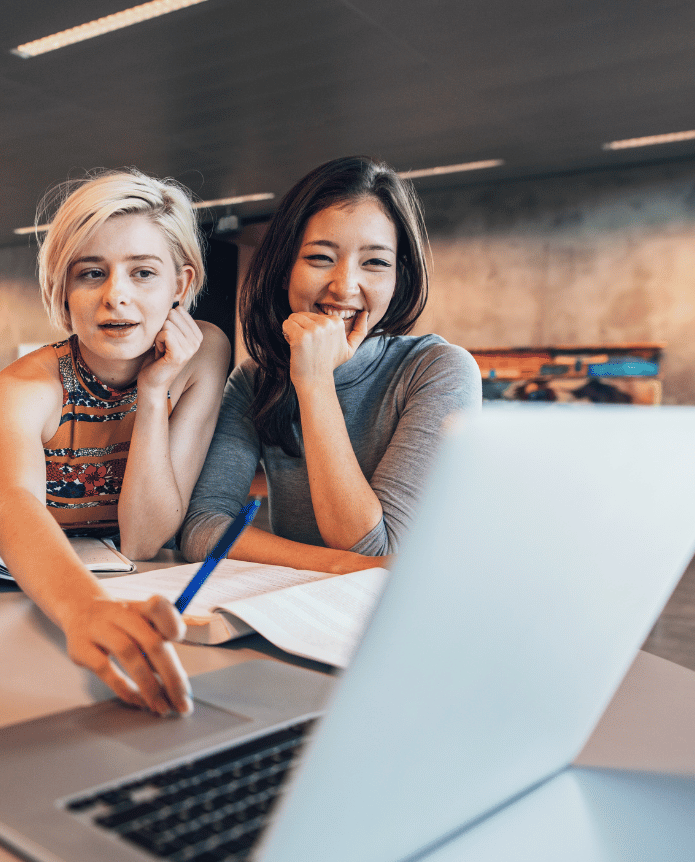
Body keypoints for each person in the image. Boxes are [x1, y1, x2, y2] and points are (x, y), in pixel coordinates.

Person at [0, 169, 231, 717]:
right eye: (91, 273)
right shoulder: (24, 385)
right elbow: (13, 507)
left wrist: (153, 392)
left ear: (181, 285)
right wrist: (83, 610)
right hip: (39, 596)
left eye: (143, 272)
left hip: (140, 588)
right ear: (62, 289)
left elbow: (144, 538)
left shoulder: (203, 354)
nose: (116, 296)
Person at [181, 156, 481, 570]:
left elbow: (374, 548)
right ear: (284, 269)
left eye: (375, 262)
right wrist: (334, 565)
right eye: (321, 257)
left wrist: (315, 381)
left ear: (399, 278)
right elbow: (201, 528)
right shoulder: (254, 380)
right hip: (299, 610)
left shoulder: (439, 371)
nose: (344, 287)